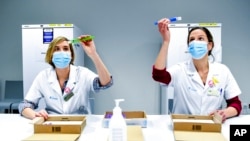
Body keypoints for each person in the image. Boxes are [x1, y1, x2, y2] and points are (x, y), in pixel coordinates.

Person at [152, 18, 242, 122]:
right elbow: (158, 75)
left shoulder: (222, 71)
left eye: (200, 38)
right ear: (189, 46)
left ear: (209, 45)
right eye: (192, 39)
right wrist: (166, 41)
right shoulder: (180, 69)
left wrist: (224, 113)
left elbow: (236, 104)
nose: (195, 42)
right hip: (183, 126)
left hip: (211, 126)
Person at [19, 35, 113, 120]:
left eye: (65, 48)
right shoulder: (43, 76)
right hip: (53, 123)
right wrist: (35, 115)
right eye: (56, 49)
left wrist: (93, 54)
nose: (61, 52)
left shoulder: (82, 73)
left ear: (71, 54)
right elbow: (24, 105)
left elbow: (106, 83)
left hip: (80, 122)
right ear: (50, 55)